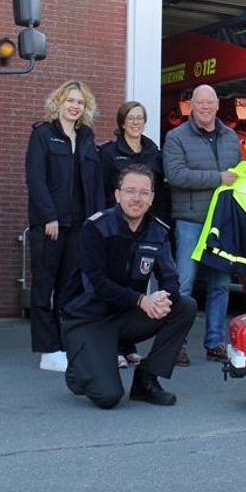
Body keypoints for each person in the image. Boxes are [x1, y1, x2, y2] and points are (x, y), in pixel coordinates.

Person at [62, 165, 197, 409]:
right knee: (108, 397)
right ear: (117, 195)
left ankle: (146, 381)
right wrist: (141, 301)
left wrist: (163, 298)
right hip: (88, 320)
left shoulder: (158, 231)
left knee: (184, 306)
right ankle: (79, 367)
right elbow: (96, 284)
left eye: (144, 192)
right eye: (130, 191)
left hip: (124, 318)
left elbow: (170, 277)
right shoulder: (96, 228)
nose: (137, 198)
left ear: (152, 198)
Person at [25, 80, 103, 372]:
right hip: (50, 225)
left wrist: (94, 223)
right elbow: (36, 179)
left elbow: (93, 184)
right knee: (45, 287)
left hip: (79, 226)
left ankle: (64, 344)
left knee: (70, 289)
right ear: (58, 103)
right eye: (70, 100)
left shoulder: (86, 137)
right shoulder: (43, 135)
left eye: (80, 102)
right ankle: (47, 350)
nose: (74, 106)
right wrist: (48, 217)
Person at [163, 84, 241, 364]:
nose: (205, 107)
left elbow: (240, 178)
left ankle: (215, 343)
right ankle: (176, 344)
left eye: (210, 102)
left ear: (218, 105)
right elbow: (176, 176)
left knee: (220, 284)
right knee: (183, 284)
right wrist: (218, 178)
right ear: (191, 106)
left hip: (223, 223)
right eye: (200, 103)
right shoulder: (176, 138)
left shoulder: (232, 137)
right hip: (191, 221)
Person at [99, 101, 168, 368]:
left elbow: (160, 191)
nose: (136, 122)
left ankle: (128, 347)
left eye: (140, 117)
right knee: (117, 284)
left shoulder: (153, 152)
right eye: (131, 118)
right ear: (122, 122)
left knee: (137, 285)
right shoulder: (109, 153)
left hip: (145, 228)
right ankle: (112, 345)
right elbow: (103, 190)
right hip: (117, 227)